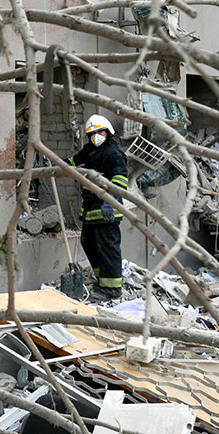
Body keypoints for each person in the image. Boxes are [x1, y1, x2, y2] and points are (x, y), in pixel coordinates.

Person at [67, 114, 128, 300]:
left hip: (107, 209)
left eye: (100, 132)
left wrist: (110, 201)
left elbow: (120, 180)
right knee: (89, 243)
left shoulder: (113, 153)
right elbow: (73, 162)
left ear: (108, 132)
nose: (96, 136)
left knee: (107, 248)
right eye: (92, 134)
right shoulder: (90, 150)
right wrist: (55, 164)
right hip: (91, 210)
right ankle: (102, 281)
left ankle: (111, 290)